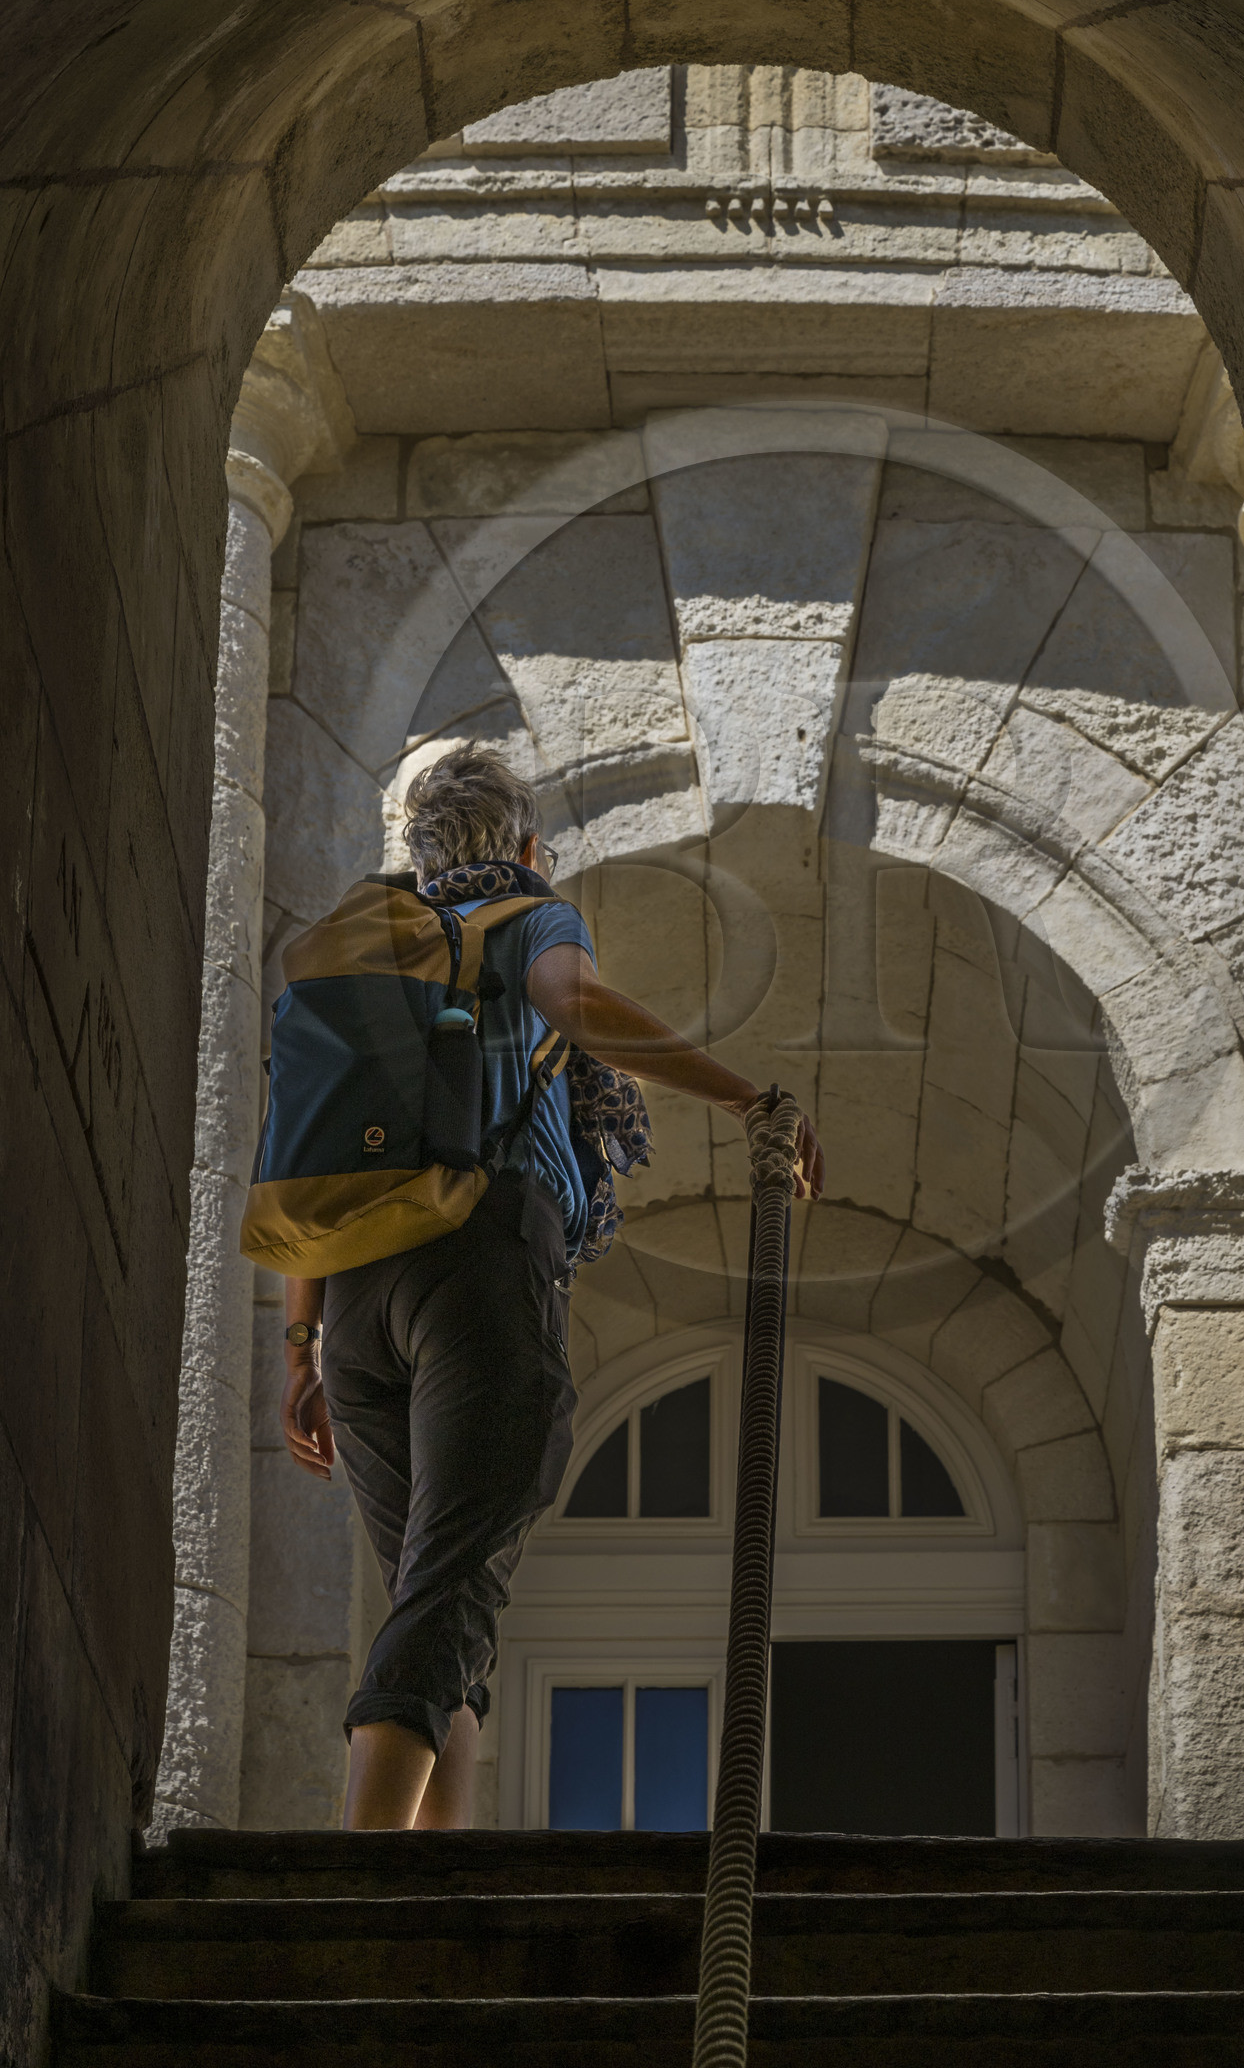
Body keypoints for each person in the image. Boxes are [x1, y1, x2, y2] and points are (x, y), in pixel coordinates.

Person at [276, 743, 823, 1832]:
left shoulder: (363, 952)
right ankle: (361, 1872)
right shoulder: (523, 912)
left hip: (350, 1303)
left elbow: (302, 1147)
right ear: (526, 847)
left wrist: (298, 1350)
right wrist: (747, 1099)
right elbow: (575, 1006)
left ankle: (437, 1863)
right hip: (476, 1260)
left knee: (436, 1591)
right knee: (445, 1588)